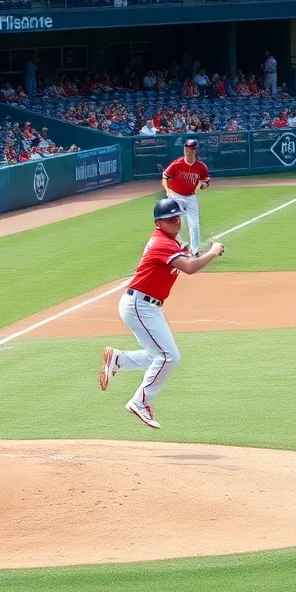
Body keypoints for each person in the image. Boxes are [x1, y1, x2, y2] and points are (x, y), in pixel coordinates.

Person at [98, 198, 225, 429]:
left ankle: (119, 359)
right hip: (140, 306)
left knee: (159, 354)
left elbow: (180, 262)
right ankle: (140, 401)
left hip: (146, 306)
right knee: (169, 356)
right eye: (170, 219)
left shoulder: (169, 241)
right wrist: (213, 251)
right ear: (159, 222)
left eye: (178, 217)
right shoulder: (162, 243)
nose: (176, 221)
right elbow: (189, 268)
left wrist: (186, 252)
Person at [160, 139, 210, 255]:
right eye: (187, 148)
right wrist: (167, 190)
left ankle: (195, 251)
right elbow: (165, 177)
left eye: (191, 148)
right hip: (175, 196)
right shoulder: (177, 164)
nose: (189, 151)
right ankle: (180, 244)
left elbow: (206, 181)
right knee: (174, 222)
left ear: (195, 150)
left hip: (190, 197)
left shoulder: (201, 167)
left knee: (194, 225)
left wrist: (203, 185)